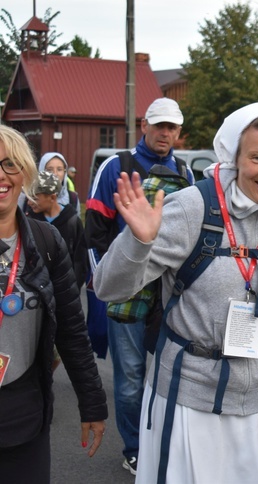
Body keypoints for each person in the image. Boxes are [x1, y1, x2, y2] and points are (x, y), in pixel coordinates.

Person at [94, 102, 258, 483]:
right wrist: (137, 242)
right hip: (189, 401)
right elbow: (108, 287)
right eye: (257, 157)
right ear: (235, 157)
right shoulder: (195, 207)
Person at [85, 96, 194, 475]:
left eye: (172, 127)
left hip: (167, 295)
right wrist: (105, 285)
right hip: (128, 293)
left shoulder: (185, 171)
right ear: (144, 124)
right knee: (130, 378)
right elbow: (94, 232)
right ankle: (134, 448)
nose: (165, 133)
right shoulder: (118, 166)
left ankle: (161, 442)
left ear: (179, 132)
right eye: (160, 125)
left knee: (168, 372)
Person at [0, 125, 107, 482]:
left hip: (23, 416)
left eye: (10, 164)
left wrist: (92, 402)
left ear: (26, 174)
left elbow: (72, 331)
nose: (1, 175)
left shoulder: (46, 241)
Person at [27, 171, 88, 289]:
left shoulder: (72, 222)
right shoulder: (29, 220)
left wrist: (73, 286)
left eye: (34, 198)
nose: (29, 202)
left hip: (65, 289)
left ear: (52, 197)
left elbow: (80, 260)